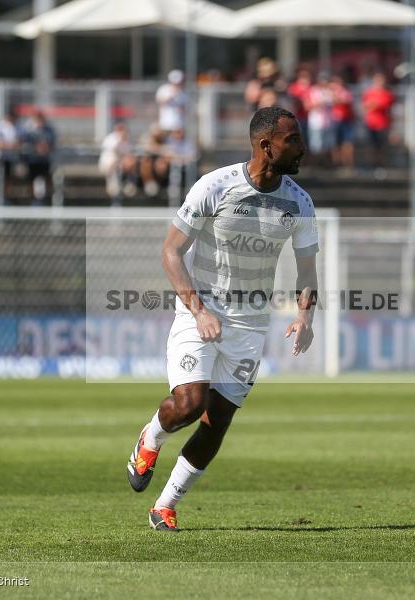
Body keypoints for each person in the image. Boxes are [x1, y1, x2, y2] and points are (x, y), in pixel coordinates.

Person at [126, 106, 318, 531]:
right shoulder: (214, 187)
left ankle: (165, 504)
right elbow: (171, 252)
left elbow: (307, 271)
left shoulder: (299, 202)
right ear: (267, 146)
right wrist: (198, 309)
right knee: (190, 405)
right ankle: (151, 438)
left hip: (250, 324)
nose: (303, 148)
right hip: (202, 312)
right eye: (294, 140)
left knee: (218, 420)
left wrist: (305, 316)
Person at [20, 109, 56, 206]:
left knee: (43, 179)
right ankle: (33, 201)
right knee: (32, 180)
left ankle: (42, 200)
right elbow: (23, 141)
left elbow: (52, 142)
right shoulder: (28, 129)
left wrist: (46, 147)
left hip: (43, 160)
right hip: (32, 160)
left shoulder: (48, 129)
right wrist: (35, 147)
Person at [362, 72, 395, 169]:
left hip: (383, 124)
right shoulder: (369, 93)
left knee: (382, 147)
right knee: (371, 146)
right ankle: (372, 165)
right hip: (370, 124)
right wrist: (372, 105)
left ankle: (381, 166)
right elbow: (365, 106)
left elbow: (382, 105)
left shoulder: (387, 94)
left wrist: (372, 105)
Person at [99, 122, 138, 199]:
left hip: (122, 164)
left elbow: (129, 154)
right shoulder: (110, 138)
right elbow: (113, 153)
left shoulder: (128, 140)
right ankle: (113, 185)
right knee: (114, 163)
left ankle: (129, 184)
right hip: (108, 163)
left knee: (132, 162)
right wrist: (120, 140)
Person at [0, 109, 21, 202]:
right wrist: (7, 145)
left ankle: (6, 198)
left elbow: (18, 143)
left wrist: (7, 145)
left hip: (10, 158)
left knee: (9, 178)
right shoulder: (0, 126)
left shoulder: (17, 127)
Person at [305, 71, 335, 165]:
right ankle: (315, 164)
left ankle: (324, 163)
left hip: (328, 122)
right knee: (316, 145)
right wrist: (319, 104)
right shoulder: (313, 90)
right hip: (316, 122)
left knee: (327, 144)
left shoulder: (329, 91)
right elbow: (307, 105)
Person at [330, 74, 356, 169]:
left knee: (347, 143)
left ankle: (347, 164)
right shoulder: (330, 92)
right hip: (334, 120)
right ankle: (336, 163)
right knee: (335, 143)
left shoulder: (345, 92)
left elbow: (345, 101)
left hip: (345, 120)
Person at [156, 69, 188, 134]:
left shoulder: (183, 93)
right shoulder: (164, 89)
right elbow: (160, 102)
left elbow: (185, 108)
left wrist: (182, 110)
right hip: (165, 123)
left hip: (179, 124)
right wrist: (172, 95)